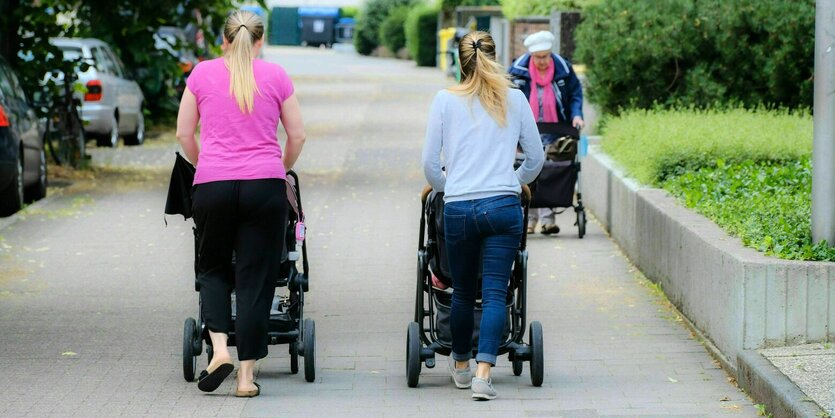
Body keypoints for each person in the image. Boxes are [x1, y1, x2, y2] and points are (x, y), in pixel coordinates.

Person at [176, 10, 306, 397]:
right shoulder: (277, 76)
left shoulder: (201, 74)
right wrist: (276, 170)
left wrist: (207, 167)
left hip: (213, 185)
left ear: (224, 39)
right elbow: (297, 136)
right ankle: (247, 378)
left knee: (213, 269)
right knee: (255, 280)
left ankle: (218, 352)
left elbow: (184, 134)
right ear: (260, 41)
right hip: (264, 188)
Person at [422, 31, 544, 400]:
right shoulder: (516, 99)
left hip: (458, 207)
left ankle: (460, 364)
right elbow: (536, 160)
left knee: (460, 292)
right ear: (496, 57)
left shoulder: (445, 100)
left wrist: (447, 184)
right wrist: (515, 181)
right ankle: (483, 374)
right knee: (494, 293)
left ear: (460, 62)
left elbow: (429, 165)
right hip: (503, 207)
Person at [508, 30, 584, 235]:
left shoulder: (564, 69)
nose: (542, 61)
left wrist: (577, 115)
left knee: (550, 172)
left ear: (550, 53)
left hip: (556, 130)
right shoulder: (517, 70)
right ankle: (530, 220)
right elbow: (507, 98)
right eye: (538, 57)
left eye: (545, 57)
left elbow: (576, 94)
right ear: (532, 56)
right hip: (527, 131)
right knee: (529, 171)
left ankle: (547, 220)